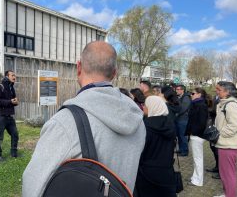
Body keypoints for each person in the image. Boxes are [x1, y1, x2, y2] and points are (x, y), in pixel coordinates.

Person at [22, 41, 146, 197]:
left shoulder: (65, 122)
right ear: (114, 73)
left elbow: (33, 185)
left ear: (78, 67)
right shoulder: (137, 119)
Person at [134, 96, 176, 197]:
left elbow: (141, 150)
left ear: (152, 107)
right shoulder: (170, 124)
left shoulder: (145, 126)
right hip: (167, 171)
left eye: (145, 105)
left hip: (147, 173)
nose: (143, 107)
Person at [213, 81, 237, 197]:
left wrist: (219, 135)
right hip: (224, 144)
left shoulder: (231, 105)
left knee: (228, 174)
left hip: (228, 145)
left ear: (227, 92)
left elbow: (235, 125)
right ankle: (227, 194)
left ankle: (230, 195)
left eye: (219, 89)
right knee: (225, 173)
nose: (217, 91)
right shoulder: (224, 103)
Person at [0, 70, 19, 162]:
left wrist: (15, 102)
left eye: (15, 75)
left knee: (15, 134)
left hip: (9, 116)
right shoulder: (0, 87)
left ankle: (14, 153)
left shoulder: (11, 88)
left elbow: (11, 101)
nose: (14, 77)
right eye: (12, 75)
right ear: (7, 76)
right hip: (1, 116)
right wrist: (10, 101)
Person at [185, 88, 209, 187]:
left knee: (198, 158)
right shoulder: (196, 104)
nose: (191, 95)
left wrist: (194, 132)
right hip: (194, 134)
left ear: (199, 94)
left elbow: (202, 122)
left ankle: (198, 181)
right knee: (196, 158)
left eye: (193, 93)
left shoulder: (201, 105)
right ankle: (195, 177)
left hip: (197, 135)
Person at [206, 93, 221, 180]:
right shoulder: (215, 97)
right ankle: (217, 167)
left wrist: (208, 109)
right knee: (213, 148)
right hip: (212, 125)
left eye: (218, 89)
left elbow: (215, 111)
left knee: (217, 150)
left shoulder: (224, 100)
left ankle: (220, 170)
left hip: (217, 127)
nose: (216, 90)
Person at [175, 84, 191, 156]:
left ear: (182, 90)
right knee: (179, 136)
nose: (177, 91)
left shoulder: (186, 97)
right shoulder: (179, 97)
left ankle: (185, 151)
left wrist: (176, 114)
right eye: (176, 89)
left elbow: (183, 108)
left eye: (178, 89)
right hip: (179, 119)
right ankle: (181, 149)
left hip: (183, 120)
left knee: (183, 136)